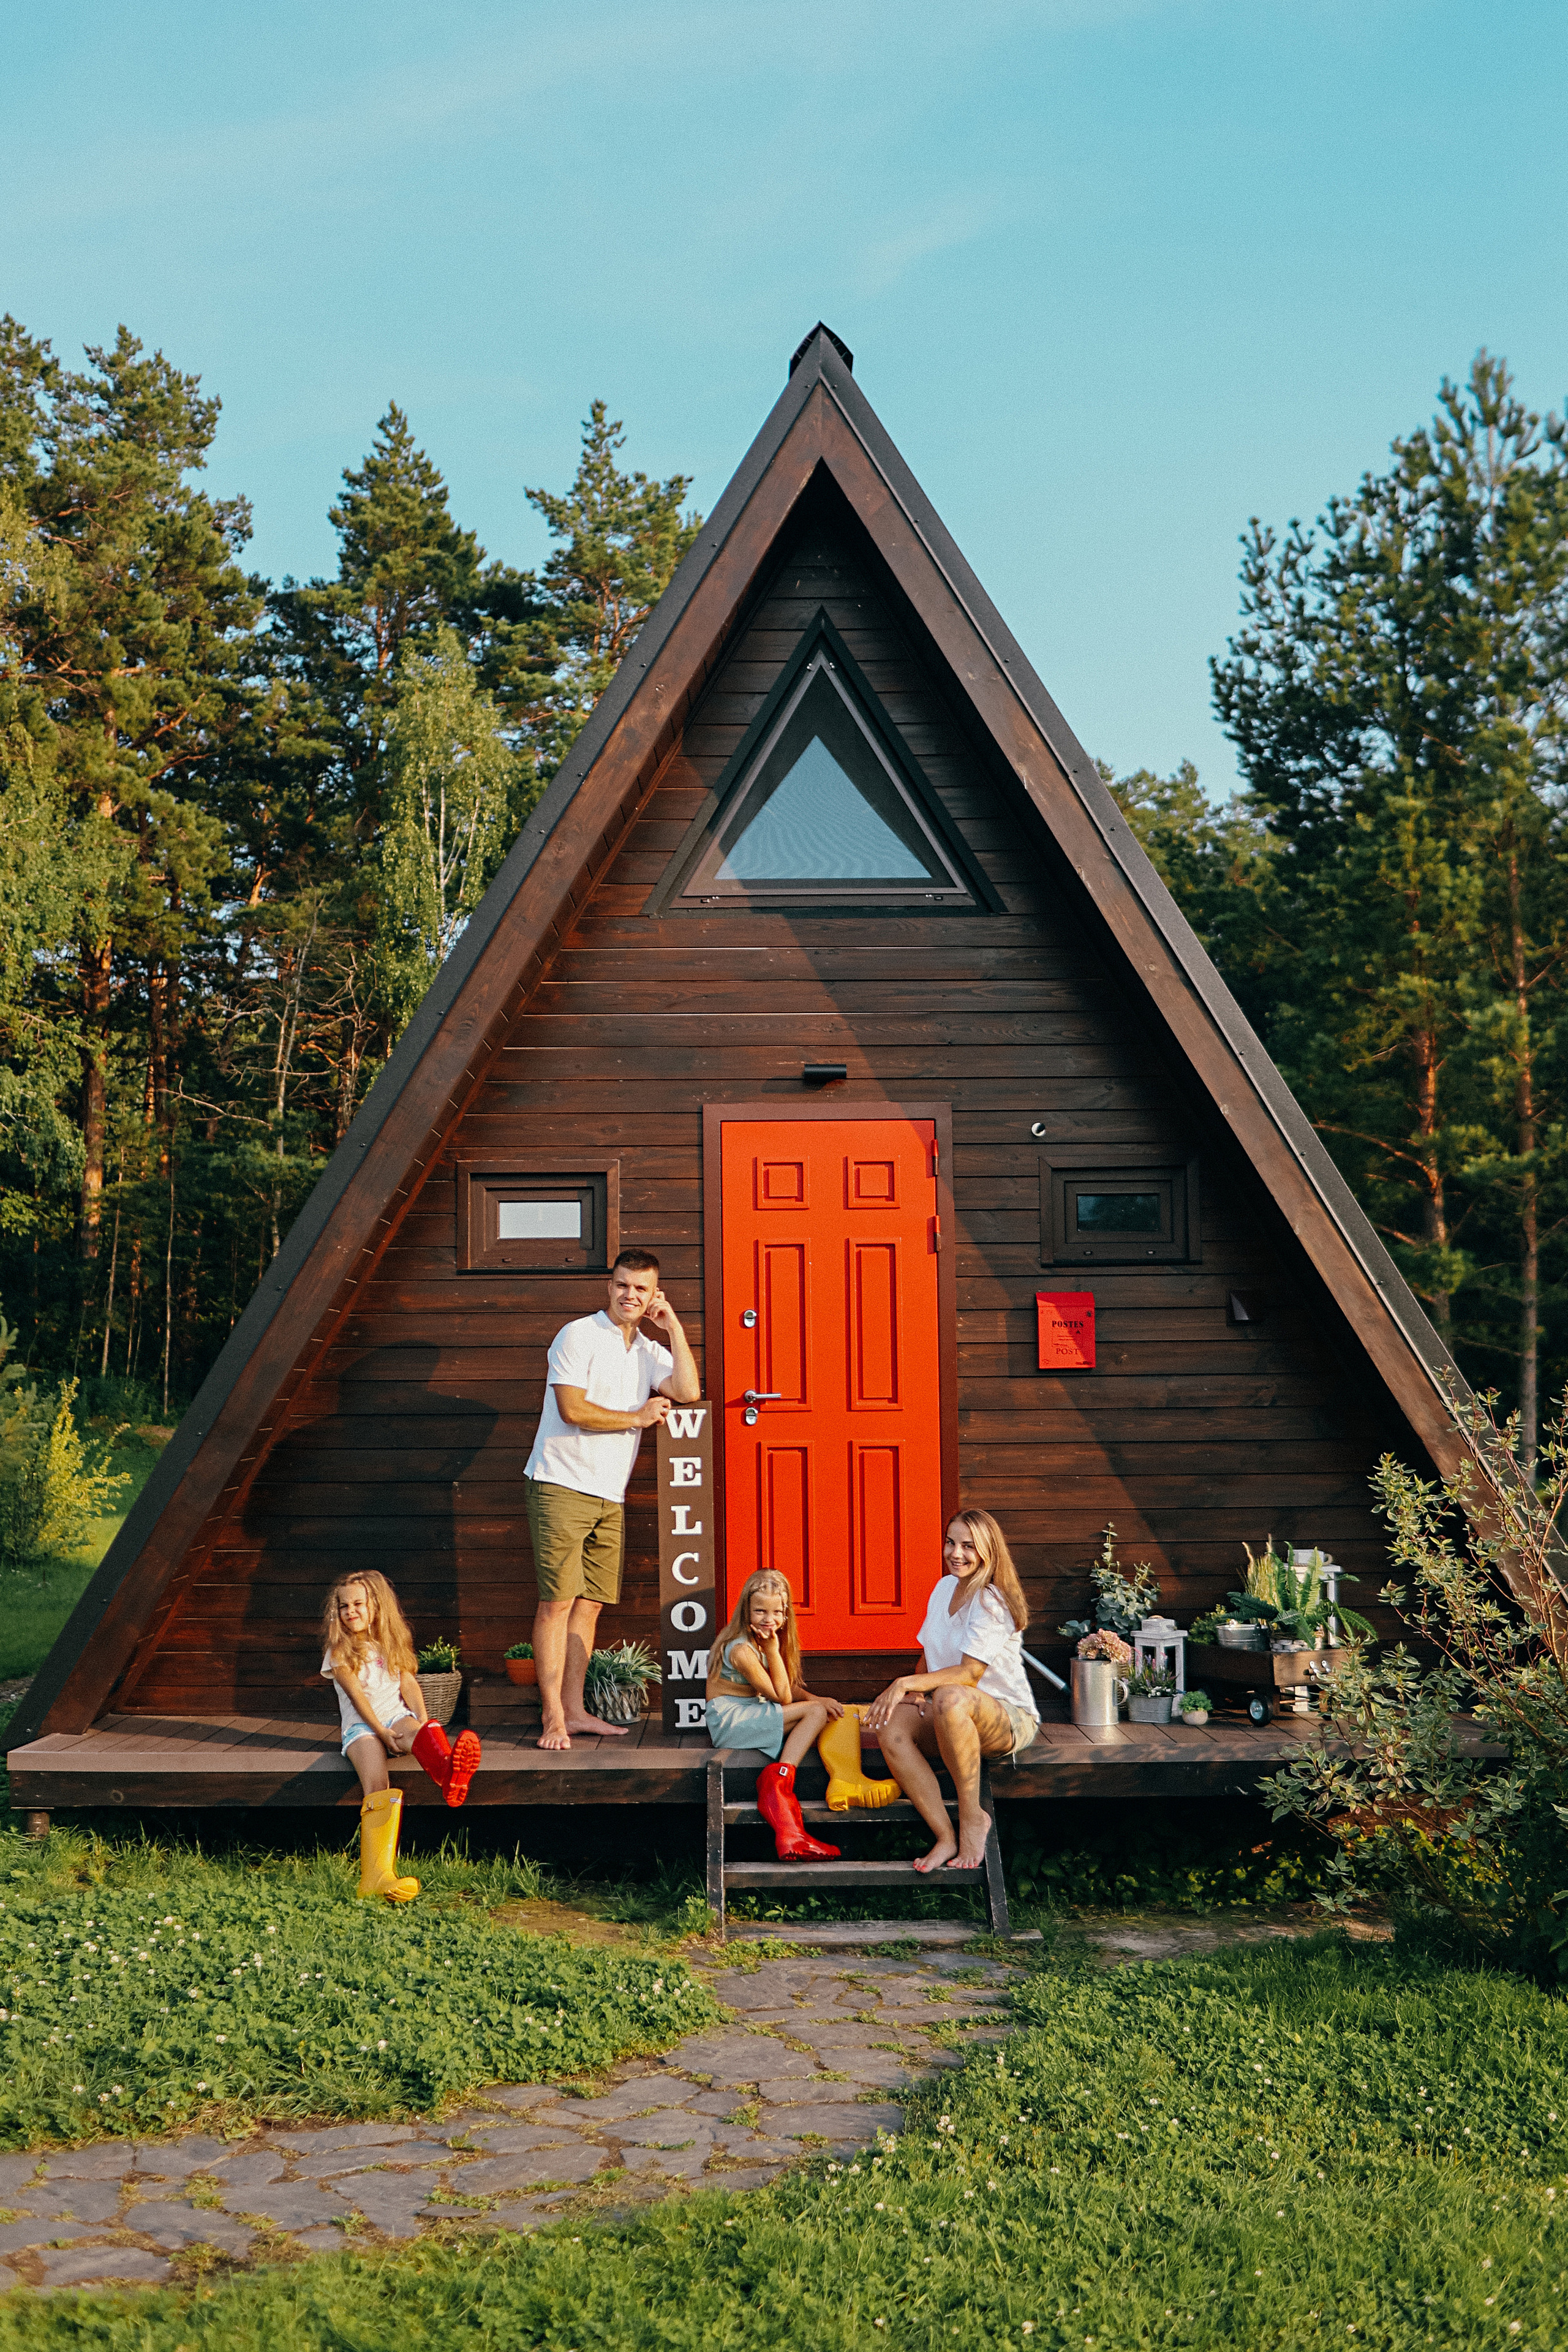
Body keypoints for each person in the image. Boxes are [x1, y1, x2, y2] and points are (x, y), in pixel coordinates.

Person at [524, 1248, 700, 1750]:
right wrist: (637, 1418)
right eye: (624, 1285)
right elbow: (573, 1408)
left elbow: (687, 1390)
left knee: (590, 1605)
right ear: (610, 1286)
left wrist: (674, 1329)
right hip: (560, 1483)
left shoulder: (647, 1348)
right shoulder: (579, 1335)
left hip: (609, 1494)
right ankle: (553, 1717)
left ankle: (577, 1711)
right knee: (557, 1604)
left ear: (653, 1295)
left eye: (642, 1289)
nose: (631, 1296)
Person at [861, 1509, 1038, 1873]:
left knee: (951, 1694)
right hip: (951, 1713)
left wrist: (904, 1684)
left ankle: (973, 1817)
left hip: (1007, 1718)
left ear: (988, 1551)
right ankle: (944, 1835)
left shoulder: (992, 1599)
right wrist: (913, 1695)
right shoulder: (944, 1588)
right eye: (951, 1543)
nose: (956, 1553)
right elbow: (929, 1655)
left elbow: (970, 1674)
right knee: (890, 1727)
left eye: (968, 1546)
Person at [321, 1570, 483, 1904]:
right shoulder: (339, 1653)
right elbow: (357, 1698)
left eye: (358, 1604)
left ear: (377, 1607)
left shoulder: (389, 1643)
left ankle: (448, 1770)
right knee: (377, 1785)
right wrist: (380, 1733)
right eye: (343, 1606)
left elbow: (408, 1685)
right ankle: (377, 1877)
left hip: (398, 1718)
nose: (350, 1611)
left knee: (420, 1734)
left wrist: (424, 1723)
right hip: (363, 1728)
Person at [705, 1569, 843, 1860]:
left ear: (786, 1613)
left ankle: (791, 1829)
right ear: (746, 1611)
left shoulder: (759, 1639)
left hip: (748, 1711)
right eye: (760, 1611)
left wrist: (815, 1699)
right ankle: (779, 1783)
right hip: (731, 1720)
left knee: (818, 1711)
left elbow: (785, 1687)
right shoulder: (743, 1649)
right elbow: (781, 1696)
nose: (769, 1620)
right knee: (815, 1715)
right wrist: (773, 1649)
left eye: (777, 1612)